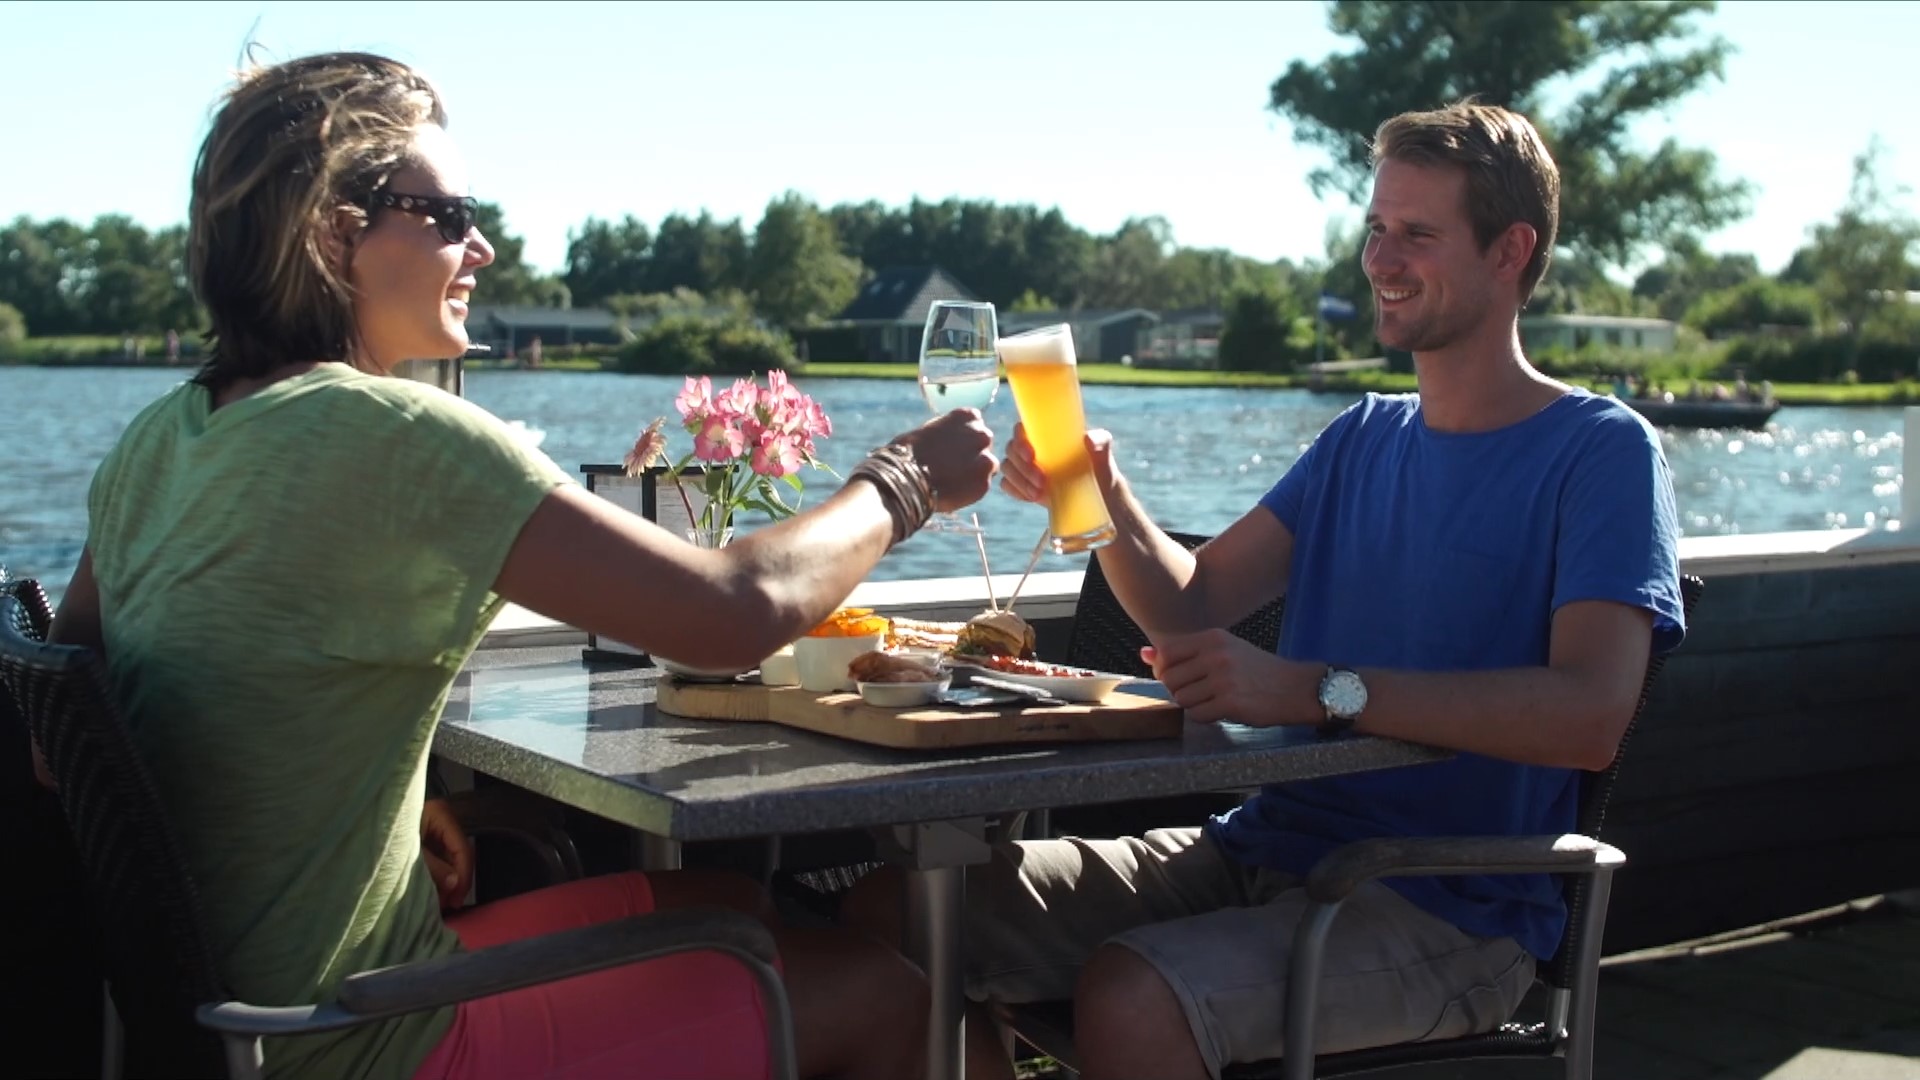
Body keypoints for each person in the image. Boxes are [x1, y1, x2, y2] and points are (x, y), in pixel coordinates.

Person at [43, 52, 999, 1080]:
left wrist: (385, 826)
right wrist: (902, 480)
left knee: (727, 906)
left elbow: (82, 746)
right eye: (449, 216)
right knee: (890, 997)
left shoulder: (162, 437)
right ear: (334, 232)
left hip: (231, 1020)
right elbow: (737, 607)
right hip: (356, 1040)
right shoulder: (396, 433)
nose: (484, 246)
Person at [845, 101, 1685, 1080]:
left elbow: (1591, 716)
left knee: (1133, 994)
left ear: (1511, 251)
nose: (1381, 258)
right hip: (1261, 849)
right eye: (1376, 228)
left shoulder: (1602, 453)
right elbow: (1194, 605)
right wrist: (1102, 491)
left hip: (1451, 906)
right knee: (896, 914)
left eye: (1418, 233)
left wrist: (1314, 688)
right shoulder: (1361, 440)